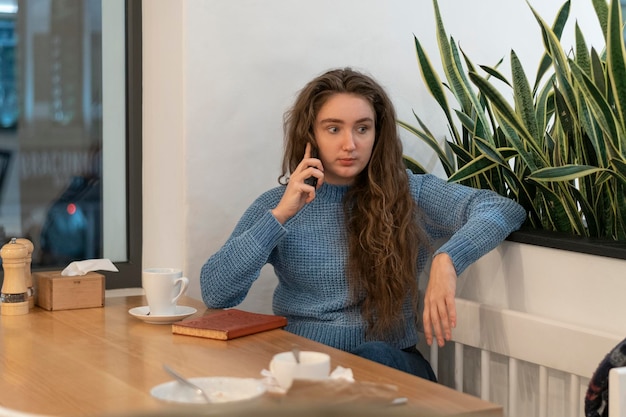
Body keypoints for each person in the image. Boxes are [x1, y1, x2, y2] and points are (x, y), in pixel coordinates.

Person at [200, 67, 526, 381]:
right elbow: (216, 292)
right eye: (333, 129)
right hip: (307, 367)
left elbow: (500, 208)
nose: (350, 144)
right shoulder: (278, 205)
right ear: (309, 134)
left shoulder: (410, 192)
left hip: (388, 366)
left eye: (362, 128)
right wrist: (280, 216)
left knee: (371, 358)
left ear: (377, 134)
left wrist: (448, 260)